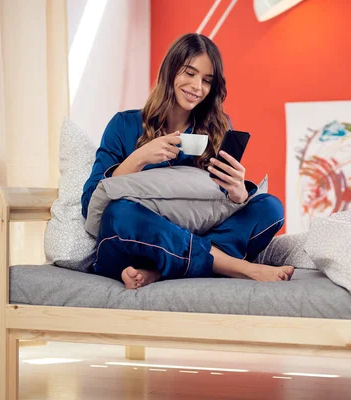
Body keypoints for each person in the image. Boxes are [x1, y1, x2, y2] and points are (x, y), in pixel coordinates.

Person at [81, 33, 294, 289]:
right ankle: (239, 268)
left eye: (206, 80)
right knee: (120, 214)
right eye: (189, 73)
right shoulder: (123, 124)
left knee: (270, 207)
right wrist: (138, 159)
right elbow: (90, 203)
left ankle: (160, 269)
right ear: (170, 71)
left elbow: (223, 204)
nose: (197, 87)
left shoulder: (218, 128)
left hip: (192, 235)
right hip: (138, 239)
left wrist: (238, 192)